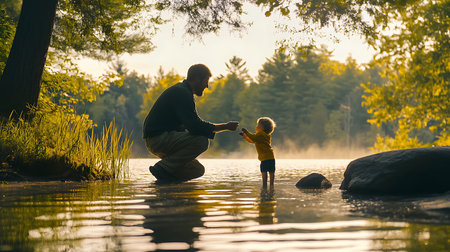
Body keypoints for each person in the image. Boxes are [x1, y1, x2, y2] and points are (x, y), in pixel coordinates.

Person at [143, 64, 239, 182]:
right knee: (202, 141)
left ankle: (169, 184)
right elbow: (195, 126)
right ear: (197, 78)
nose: (207, 86)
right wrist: (226, 126)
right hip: (157, 139)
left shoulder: (184, 92)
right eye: (206, 81)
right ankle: (162, 168)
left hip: (163, 140)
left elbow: (191, 125)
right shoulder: (181, 92)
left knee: (197, 170)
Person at [239, 117, 276, 188]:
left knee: (264, 172)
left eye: (258, 126)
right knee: (271, 172)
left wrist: (246, 132)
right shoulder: (264, 136)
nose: (256, 127)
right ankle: (271, 186)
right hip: (270, 157)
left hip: (265, 158)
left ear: (263, 128)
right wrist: (245, 137)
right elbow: (252, 141)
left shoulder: (261, 134)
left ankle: (265, 185)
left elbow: (253, 138)